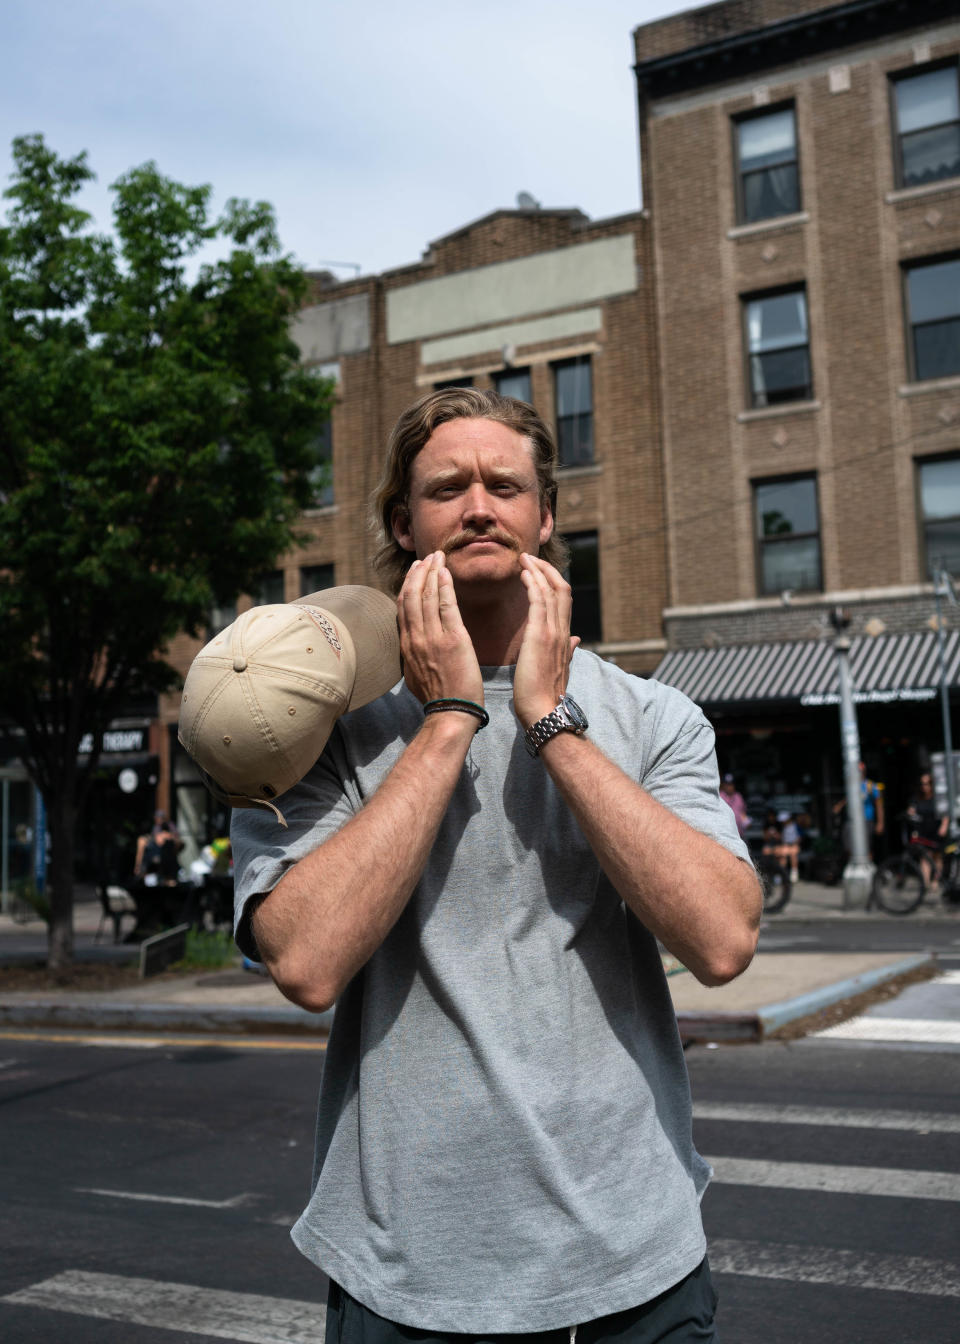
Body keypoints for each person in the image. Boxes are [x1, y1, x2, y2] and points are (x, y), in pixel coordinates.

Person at [229, 388, 761, 1343]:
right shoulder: (315, 729)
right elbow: (305, 964)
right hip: (409, 1275)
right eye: (447, 488)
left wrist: (550, 720)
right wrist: (447, 719)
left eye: (505, 485)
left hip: (634, 1258)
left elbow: (722, 940)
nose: (480, 506)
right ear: (404, 522)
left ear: (545, 516)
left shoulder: (655, 716)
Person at [833, 761, 885, 858]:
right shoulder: (851, 786)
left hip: (867, 820)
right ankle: (853, 864)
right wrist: (839, 806)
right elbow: (847, 799)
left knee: (867, 846)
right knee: (848, 845)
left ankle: (869, 868)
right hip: (851, 820)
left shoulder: (871, 786)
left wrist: (880, 823)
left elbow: (879, 805)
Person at [906, 770, 948, 888]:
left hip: (936, 829)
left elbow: (945, 813)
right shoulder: (917, 798)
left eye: (927, 783)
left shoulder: (937, 798)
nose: (925, 786)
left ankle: (936, 881)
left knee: (937, 856)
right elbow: (912, 809)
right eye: (922, 784)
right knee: (925, 856)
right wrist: (910, 812)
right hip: (923, 830)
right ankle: (925, 883)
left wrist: (944, 825)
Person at [719, 772, 750, 839]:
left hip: (739, 834)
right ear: (723, 785)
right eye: (727, 784)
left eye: (731, 784)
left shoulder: (738, 796)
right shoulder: (719, 796)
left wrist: (746, 821)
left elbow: (742, 813)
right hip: (724, 834)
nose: (729, 787)